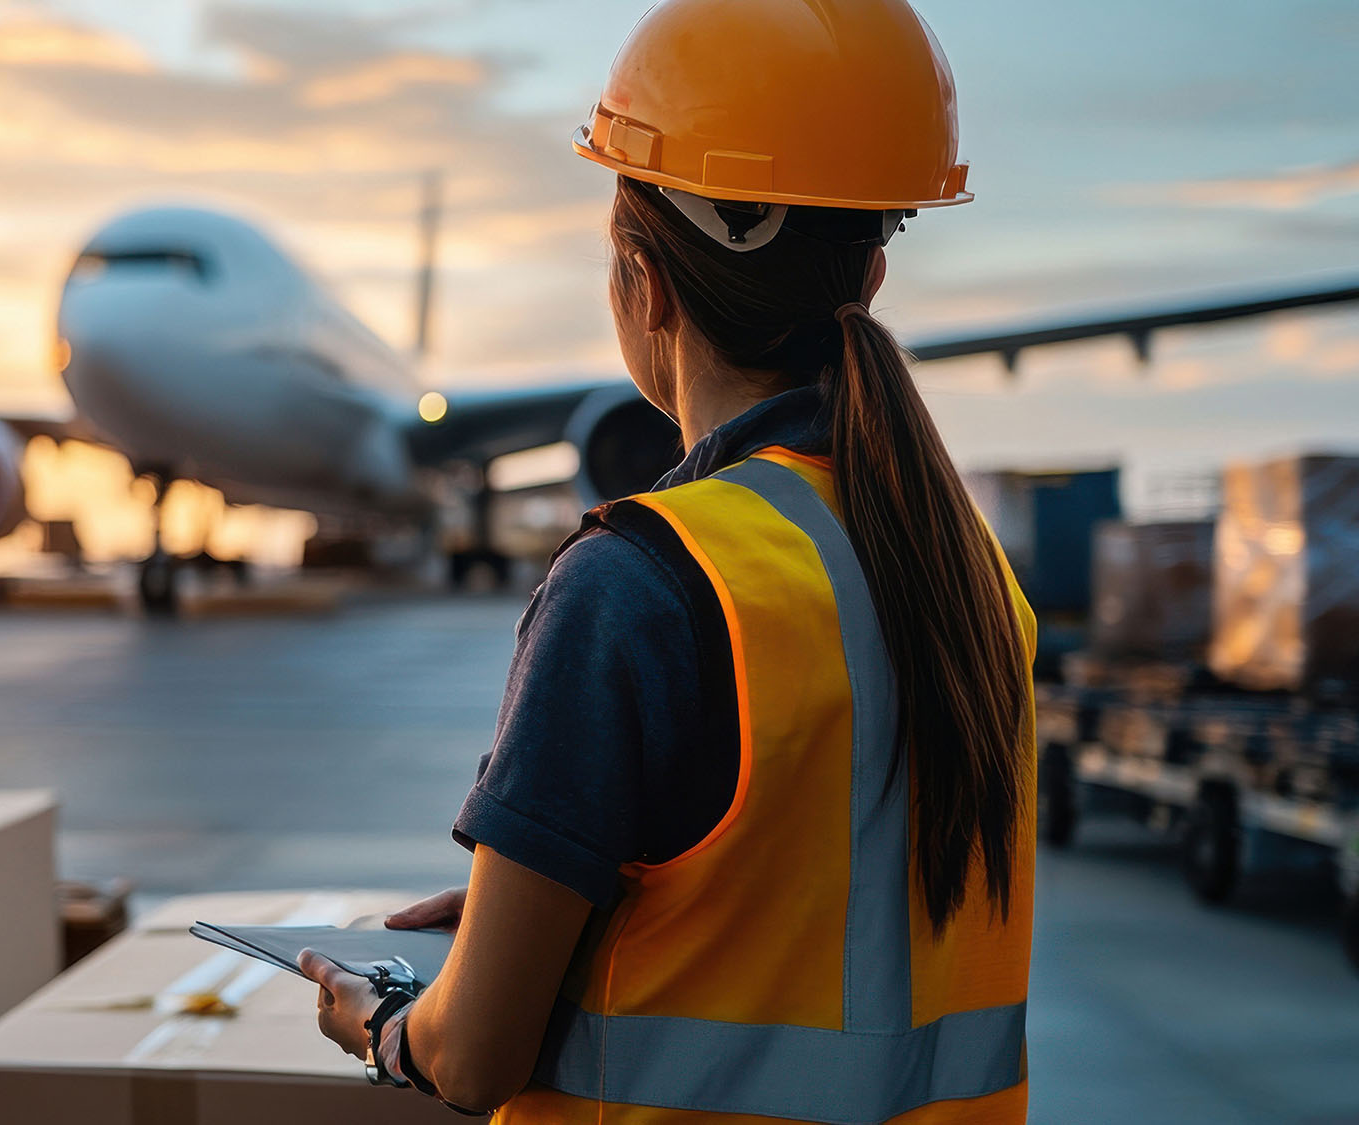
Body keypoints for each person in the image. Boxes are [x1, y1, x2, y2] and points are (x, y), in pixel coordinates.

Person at [297, 0, 1038, 1121]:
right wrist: (561, 902)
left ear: (640, 285)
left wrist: (381, 1022)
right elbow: (828, 901)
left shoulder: (638, 583)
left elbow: (474, 1058)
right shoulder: (968, 569)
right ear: (870, 280)